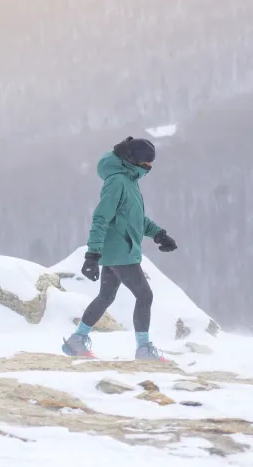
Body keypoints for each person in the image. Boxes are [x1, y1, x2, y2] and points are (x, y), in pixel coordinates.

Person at [62, 136, 177, 360]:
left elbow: (135, 219)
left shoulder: (130, 182)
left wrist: (160, 235)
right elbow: (100, 218)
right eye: (147, 161)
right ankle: (143, 349)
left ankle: (77, 340)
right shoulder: (117, 182)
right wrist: (92, 255)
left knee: (106, 297)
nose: (150, 166)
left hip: (119, 250)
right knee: (145, 296)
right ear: (132, 160)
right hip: (120, 252)